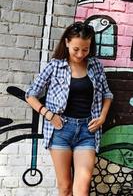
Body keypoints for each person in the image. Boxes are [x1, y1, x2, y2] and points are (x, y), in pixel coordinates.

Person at [25, 21, 113, 196]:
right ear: (66, 43)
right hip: (61, 131)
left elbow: (107, 95)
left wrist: (102, 117)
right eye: (76, 49)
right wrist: (49, 115)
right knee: (65, 188)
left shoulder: (96, 66)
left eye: (85, 49)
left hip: (88, 131)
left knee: (82, 189)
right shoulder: (55, 66)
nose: (80, 54)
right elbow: (30, 95)